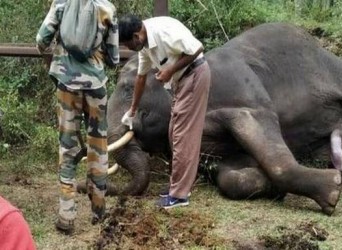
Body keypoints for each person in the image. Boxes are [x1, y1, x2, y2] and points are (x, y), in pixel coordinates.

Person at [36, 0, 119, 234]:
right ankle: (99, 209)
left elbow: (41, 40)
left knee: (67, 147)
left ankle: (66, 215)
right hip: (96, 86)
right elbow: (113, 58)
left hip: (66, 86)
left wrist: (58, 59)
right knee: (98, 147)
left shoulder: (61, 3)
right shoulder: (107, 8)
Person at [118, 15, 211, 209]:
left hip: (194, 75)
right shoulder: (144, 45)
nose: (128, 49)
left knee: (182, 136)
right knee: (174, 133)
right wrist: (132, 110)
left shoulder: (162, 32)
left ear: (136, 36)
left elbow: (197, 49)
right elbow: (141, 78)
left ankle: (179, 196)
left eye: (127, 44)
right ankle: (179, 186)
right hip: (181, 81)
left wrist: (170, 71)